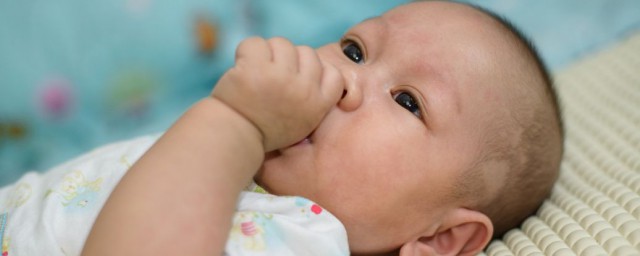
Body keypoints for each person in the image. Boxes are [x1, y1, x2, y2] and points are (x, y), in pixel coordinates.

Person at [0, 1, 563, 255]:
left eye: (409, 102)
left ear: (439, 240)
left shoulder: (305, 238)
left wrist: (237, 123)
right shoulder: (241, 173)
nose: (344, 79)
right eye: (355, 49)